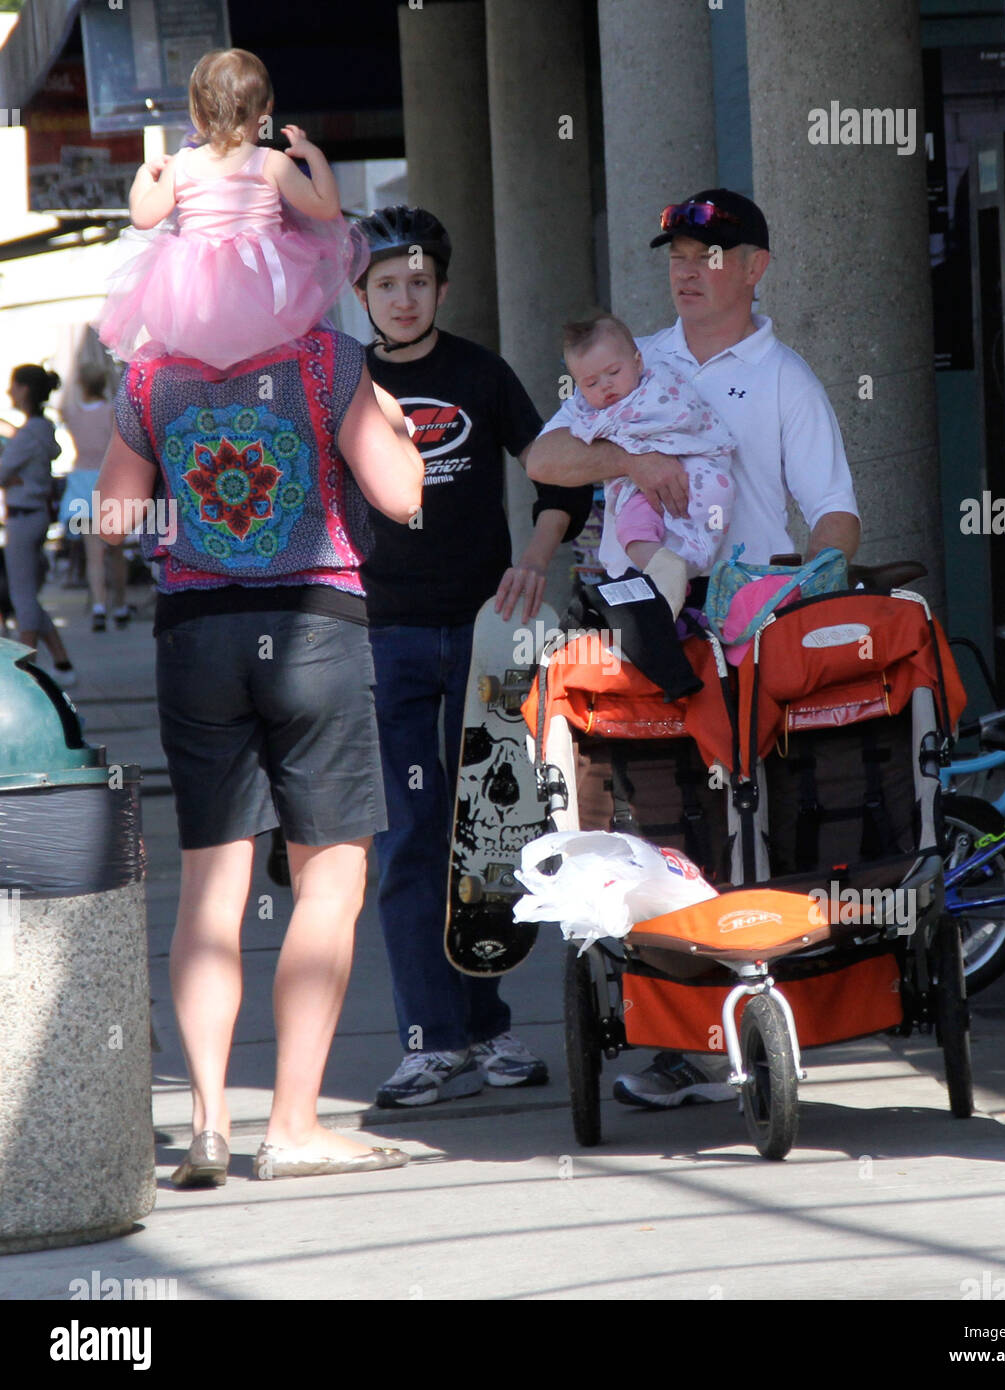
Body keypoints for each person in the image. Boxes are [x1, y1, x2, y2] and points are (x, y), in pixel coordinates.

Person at [529, 188, 861, 1110]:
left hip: (751, 626)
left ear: (754, 268)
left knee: (759, 815)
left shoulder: (785, 376)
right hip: (652, 626)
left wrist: (822, 573)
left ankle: (757, 1023)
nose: (685, 270)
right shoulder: (632, 361)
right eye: (675, 254)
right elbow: (547, 461)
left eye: (709, 255)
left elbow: (835, 507)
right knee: (664, 821)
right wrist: (630, 464)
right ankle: (678, 1029)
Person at [97, 325, 424, 1182]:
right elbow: (398, 495)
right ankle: (292, 1124)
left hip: (197, 635)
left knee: (211, 884)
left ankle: (207, 1120)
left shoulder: (151, 373)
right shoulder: (327, 358)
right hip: (315, 623)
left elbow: (112, 518)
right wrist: (389, 421)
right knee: (331, 874)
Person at [353, 206, 593, 1107]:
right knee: (411, 841)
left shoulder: (480, 373)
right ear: (362, 295)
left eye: (419, 282)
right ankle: (429, 1040)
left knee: (492, 835)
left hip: (490, 633)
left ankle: (489, 1029)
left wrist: (535, 556)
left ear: (442, 288)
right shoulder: (341, 380)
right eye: (386, 285)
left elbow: (559, 468)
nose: (404, 298)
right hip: (384, 636)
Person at [98, 48, 365, 371]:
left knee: (203, 364)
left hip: (195, 294)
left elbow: (142, 217)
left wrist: (144, 175)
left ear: (197, 112)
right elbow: (326, 207)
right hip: (261, 283)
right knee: (274, 356)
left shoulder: (181, 164)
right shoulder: (271, 162)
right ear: (267, 108)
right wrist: (312, 154)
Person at [561, 310, 735, 590]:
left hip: (696, 466)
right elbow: (573, 441)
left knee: (716, 493)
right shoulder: (589, 413)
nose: (605, 385)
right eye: (591, 383)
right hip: (638, 492)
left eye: (614, 372)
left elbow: (686, 414)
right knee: (631, 529)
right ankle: (664, 573)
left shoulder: (662, 385)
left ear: (638, 362)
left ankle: (688, 562)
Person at [0, 365, 75, 682]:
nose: (8, 393)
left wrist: (10, 478)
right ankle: (62, 664)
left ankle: (23, 672)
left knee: (22, 597)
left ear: (25, 390)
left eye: (13, 386)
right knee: (26, 592)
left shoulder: (28, 434)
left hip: (22, 516)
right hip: (34, 516)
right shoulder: (41, 430)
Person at [59, 360, 130, 631]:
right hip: (110, 479)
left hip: (82, 482)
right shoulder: (112, 412)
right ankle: (120, 605)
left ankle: (99, 607)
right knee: (116, 551)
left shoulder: (71, 413)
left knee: (93, 554)